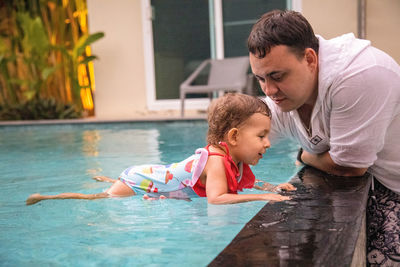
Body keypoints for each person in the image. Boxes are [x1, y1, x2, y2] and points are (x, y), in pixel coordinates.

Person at [247, 9, 400, 266]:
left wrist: (305, 156)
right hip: (378, 183)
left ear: (309, 58)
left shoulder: (359, 75)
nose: (269, 90)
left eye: (277, 76)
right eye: (260, 79)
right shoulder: (285, 96)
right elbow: (235, 144)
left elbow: (350, 167)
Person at [26, 93, 296, 206]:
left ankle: (112, 179)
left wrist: (271, 187)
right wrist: (262, 199)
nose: (268, 143)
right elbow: (216, 198)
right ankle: (47, 197)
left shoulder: (234, 160)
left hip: (158, 176)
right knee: (98, 198)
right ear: (234, 137)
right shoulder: (216, 160)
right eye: (261, 136)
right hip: (142, 181)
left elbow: (237, 183)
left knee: (111, 189)